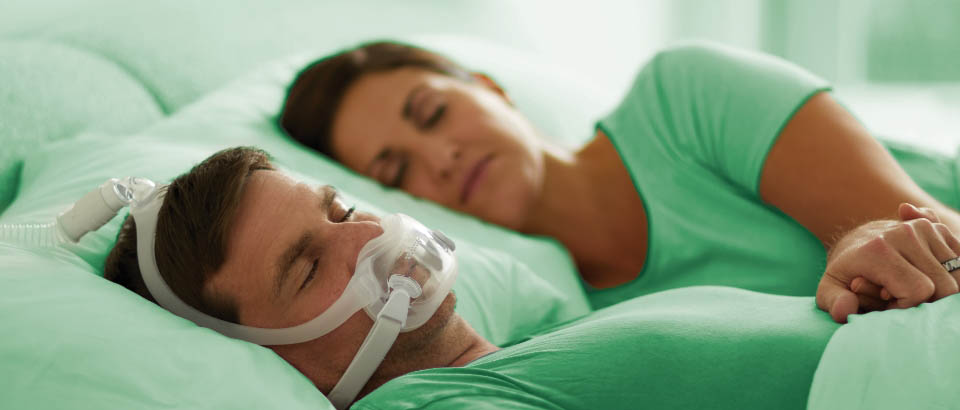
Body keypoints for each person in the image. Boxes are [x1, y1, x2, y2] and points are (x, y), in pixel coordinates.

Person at [104, 147, 846, 409]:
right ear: (262, 353)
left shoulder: (537, 352)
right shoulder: (428, 404)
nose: (369, 234)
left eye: (340, 210)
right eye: (308, 267)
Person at [279, 40, 960, 322]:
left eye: (433, 113)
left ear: (490, 88)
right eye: (396, 170)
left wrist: (873, 243)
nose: (441, 157)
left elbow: (932, 231)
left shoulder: (684, 98)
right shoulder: (552, 319)